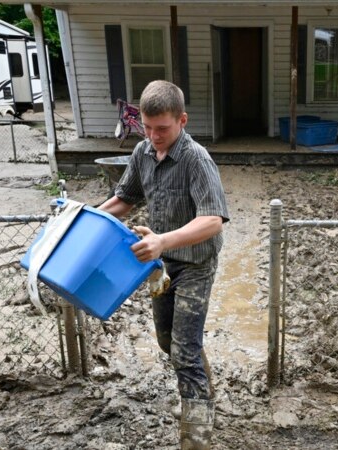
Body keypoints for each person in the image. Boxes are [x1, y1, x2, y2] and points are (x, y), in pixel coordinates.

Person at [97, 80, 229, 449]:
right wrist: (84, 220)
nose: (154, 136)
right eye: (147, 127)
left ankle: (196, 434)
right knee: (168, 341)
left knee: (185, 349)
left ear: (182, 120)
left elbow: (213, 220)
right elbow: (124, 198)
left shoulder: (196, 159)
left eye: (163, 129)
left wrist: (161, 241)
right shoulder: (142, 153)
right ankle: (204, 394)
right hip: (160, 266)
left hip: (196, 263)